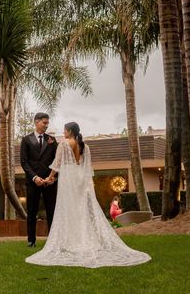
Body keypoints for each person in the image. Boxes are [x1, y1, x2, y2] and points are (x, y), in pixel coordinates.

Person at [26, 122, 150, 268]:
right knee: (80, 209)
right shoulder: (86, 146)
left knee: (69, 209)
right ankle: (84, 239)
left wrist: (50, 177)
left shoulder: (64, 144)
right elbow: (87, 168)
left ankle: (72, 241)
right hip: (80, 178)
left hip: (69, 178)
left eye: (65, 130)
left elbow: (57, 164)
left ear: (70, 131)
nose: (63, 132)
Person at [20, 112, 58, 247]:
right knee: (31, 212)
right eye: (44, 123)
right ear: (36, 122)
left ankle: (53, 242)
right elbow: (24, 162)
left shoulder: (52, 140)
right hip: (32, 182)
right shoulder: (26, 140)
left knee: (52, 212)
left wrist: (53, 177)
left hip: (49, 182)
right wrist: (34, 177)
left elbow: (57, 161)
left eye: (47, 123)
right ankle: (31, 240)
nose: (46, 125)